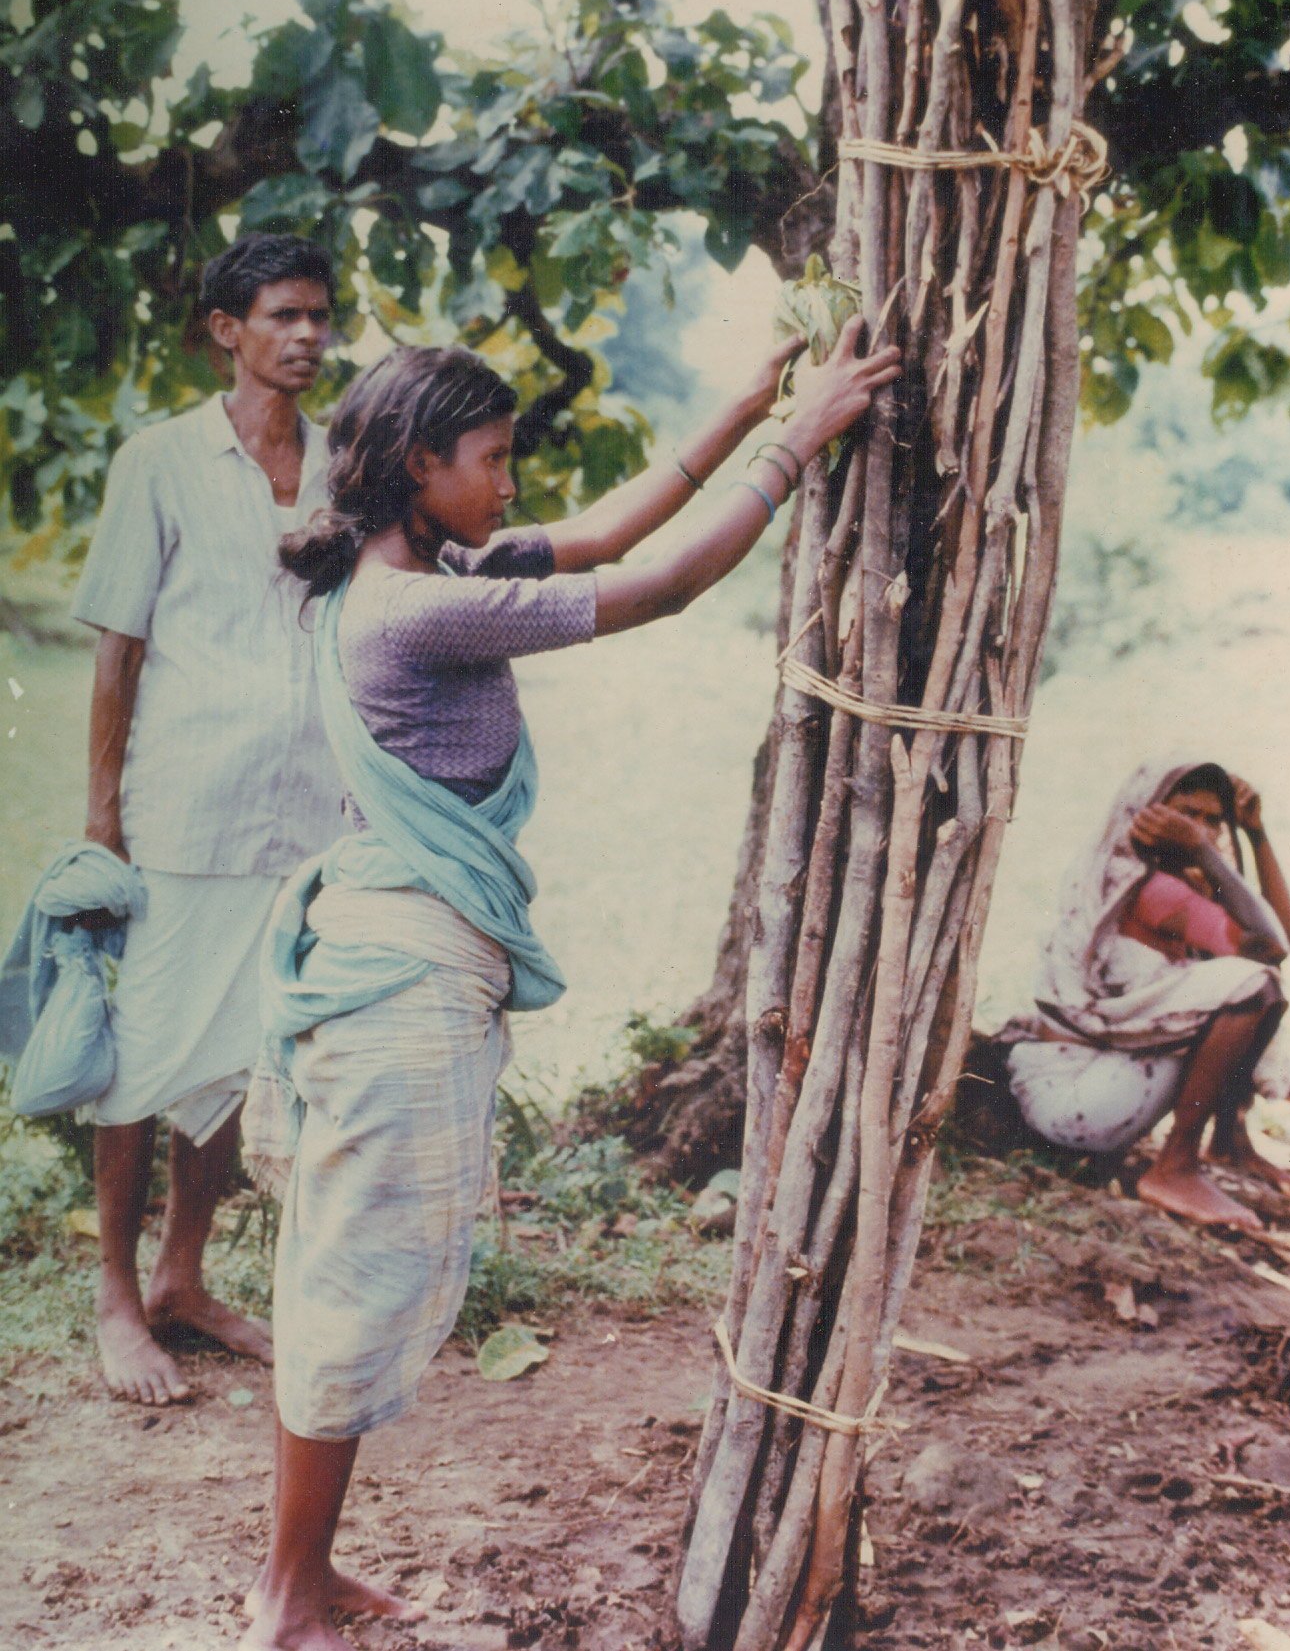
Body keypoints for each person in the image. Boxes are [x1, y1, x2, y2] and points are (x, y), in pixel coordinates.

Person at [237, 314, 900, 1651]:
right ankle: (287, 1594)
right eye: (492, 457)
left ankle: (302, 1575)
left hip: (398, 952)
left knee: (347, 1276)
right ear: (422, 464)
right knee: (355, 1283)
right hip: (398, 975)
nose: (513, 480)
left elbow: (607, 528)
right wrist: (801, 438)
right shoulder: (420, 608)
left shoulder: (430, 559)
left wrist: (746, 399)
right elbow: (657, 586)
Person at [71, 233, 346, 1407]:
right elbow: (118, 644)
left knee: (238, 1052)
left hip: (308, 811)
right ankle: (118, 1299)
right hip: (183, 809)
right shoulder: (161, 460)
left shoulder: (349, 462)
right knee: (142, 1058)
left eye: (320, 317)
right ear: (226, 329)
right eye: (282, 315)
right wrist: (101, 820)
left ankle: (187, 1277)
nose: (306, 336)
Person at [1000, 758, 1290, 1230]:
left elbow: (1285, 939)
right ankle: (1176, 1167)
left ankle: (1229, 1143)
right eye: (1183, 813)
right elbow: (1271, 950)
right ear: (1144, 813)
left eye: (1211, 819)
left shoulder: (1176, 883)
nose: (1196, 828)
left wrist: (1256, 835)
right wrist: (1206, 850)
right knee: (1250, 989)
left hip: (1094, 1094)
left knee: (1232, 981)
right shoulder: (1152, 889)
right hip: (1080, 1098)